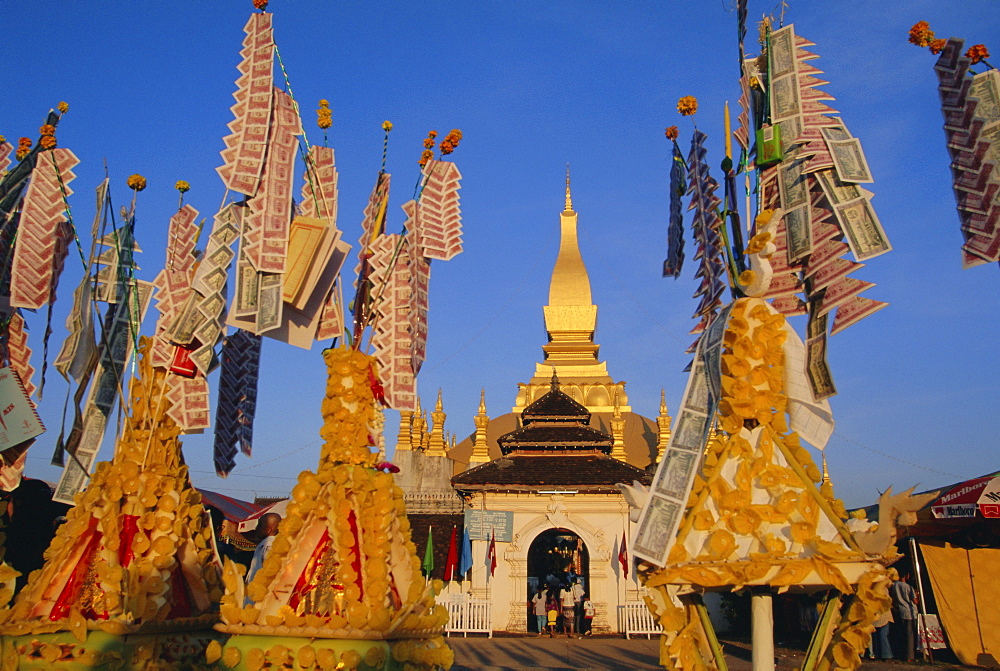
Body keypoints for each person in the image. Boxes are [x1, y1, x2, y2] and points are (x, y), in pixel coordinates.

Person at [245, 512, 281, 594]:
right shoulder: (266, 544)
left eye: (260, 525)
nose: (256, 528)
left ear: (269, 529)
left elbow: (269, 574)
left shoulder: (270, 546)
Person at [889, 571, 918, 662]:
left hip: (900, 611)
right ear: (907, 575)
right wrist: (917, 595)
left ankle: (903, 653)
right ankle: (910, 656)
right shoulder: (908, 587)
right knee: (910, 634)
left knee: (903, 633)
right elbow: (915, 601)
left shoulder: (894, 585)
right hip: (910, 612)